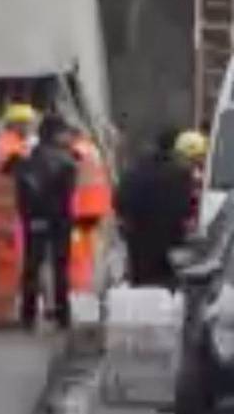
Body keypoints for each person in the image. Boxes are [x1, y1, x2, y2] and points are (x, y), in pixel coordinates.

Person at [16, 115, 81, 331]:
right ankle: (63, 315)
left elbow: (21, 193)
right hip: (60, 220)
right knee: (60, 267)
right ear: (56, 134)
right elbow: (68, 195)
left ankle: (28, 315)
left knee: (32, 267)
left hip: (35, 218)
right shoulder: (67, 161)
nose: (67, 137)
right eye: (64, 132)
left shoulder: (27, 159)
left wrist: (29, 216)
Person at [0, 104, 38, 327]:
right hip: (4, 214)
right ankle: (2, 315)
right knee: (9, 265)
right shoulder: (12, 148)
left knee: (5, 265)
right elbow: (25, 178)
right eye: (28, 124)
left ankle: (2, 311)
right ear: (17, 124)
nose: (31, 128)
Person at [115, 130, 196, 288]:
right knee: (167, 283)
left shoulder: (134, 171)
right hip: (170, 238)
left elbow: (119, 199)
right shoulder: (180, 173)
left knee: (142, 283)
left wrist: (127, 220)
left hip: (139, 238)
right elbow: (187, 206)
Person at [66, 124, 114, 294]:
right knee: (94, 248)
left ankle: (80, 288)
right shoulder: (91, 148)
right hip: (97, 207)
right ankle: (95, 287)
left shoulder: (75, 151)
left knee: (78, 250)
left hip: (81, 209)